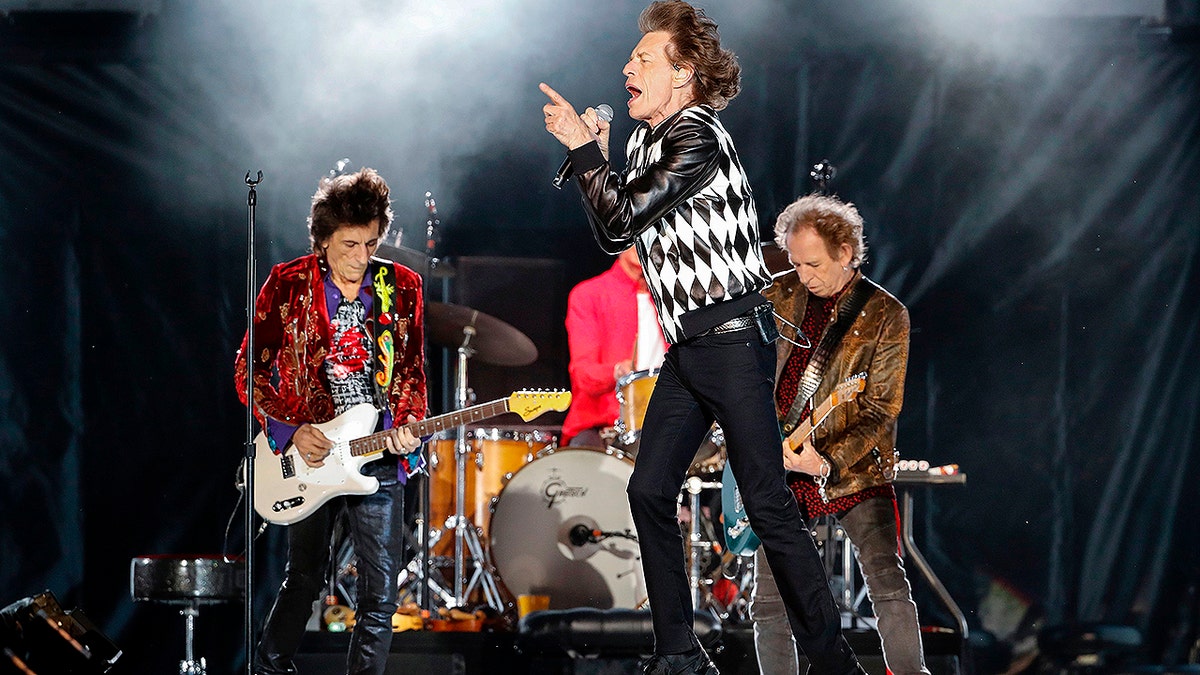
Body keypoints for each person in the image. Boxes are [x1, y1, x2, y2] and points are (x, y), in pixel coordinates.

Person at [540, 2, 863, 673]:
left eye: (645, 59)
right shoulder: (648, 142)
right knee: (648, 490)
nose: (627, 66)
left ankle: (836, 664)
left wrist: (580, 150)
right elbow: (615, 230)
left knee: (769, 505)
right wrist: (596, 157)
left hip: (733, 338)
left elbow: (620, 219)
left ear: (683, 74)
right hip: (689, 348)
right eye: (630, 58)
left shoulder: (697, 135)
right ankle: (680, 653)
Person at [234, 167, 427, 675]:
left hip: (377, 453)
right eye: (348, 245)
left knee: (381, 594)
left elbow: (411, 375)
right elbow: (248, 369)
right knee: (305, 576)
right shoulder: (288, 282)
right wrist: (289, 429)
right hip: (309, 451)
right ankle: (270, 668)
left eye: (369, 244)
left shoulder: (402, 286)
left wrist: (408, 425)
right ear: (322, 240)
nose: (361, 258)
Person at [751, 194, 927, 675]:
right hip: (783, 465)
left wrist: (825, 461)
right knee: (768, 602)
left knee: (887, 583)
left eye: (813, 263)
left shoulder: (887, 314)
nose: (803, 274)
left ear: (846, 252)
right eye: (794, 261)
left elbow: (880, 409)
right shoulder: (777, 295)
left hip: (853, 469)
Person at [562, 246, 667, 448]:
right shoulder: (589, 295)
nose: (639, 242)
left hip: (666, 421)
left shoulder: (670, 297)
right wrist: (617, 370)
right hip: (604, 426)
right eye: (632, 236)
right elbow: (583, 374)